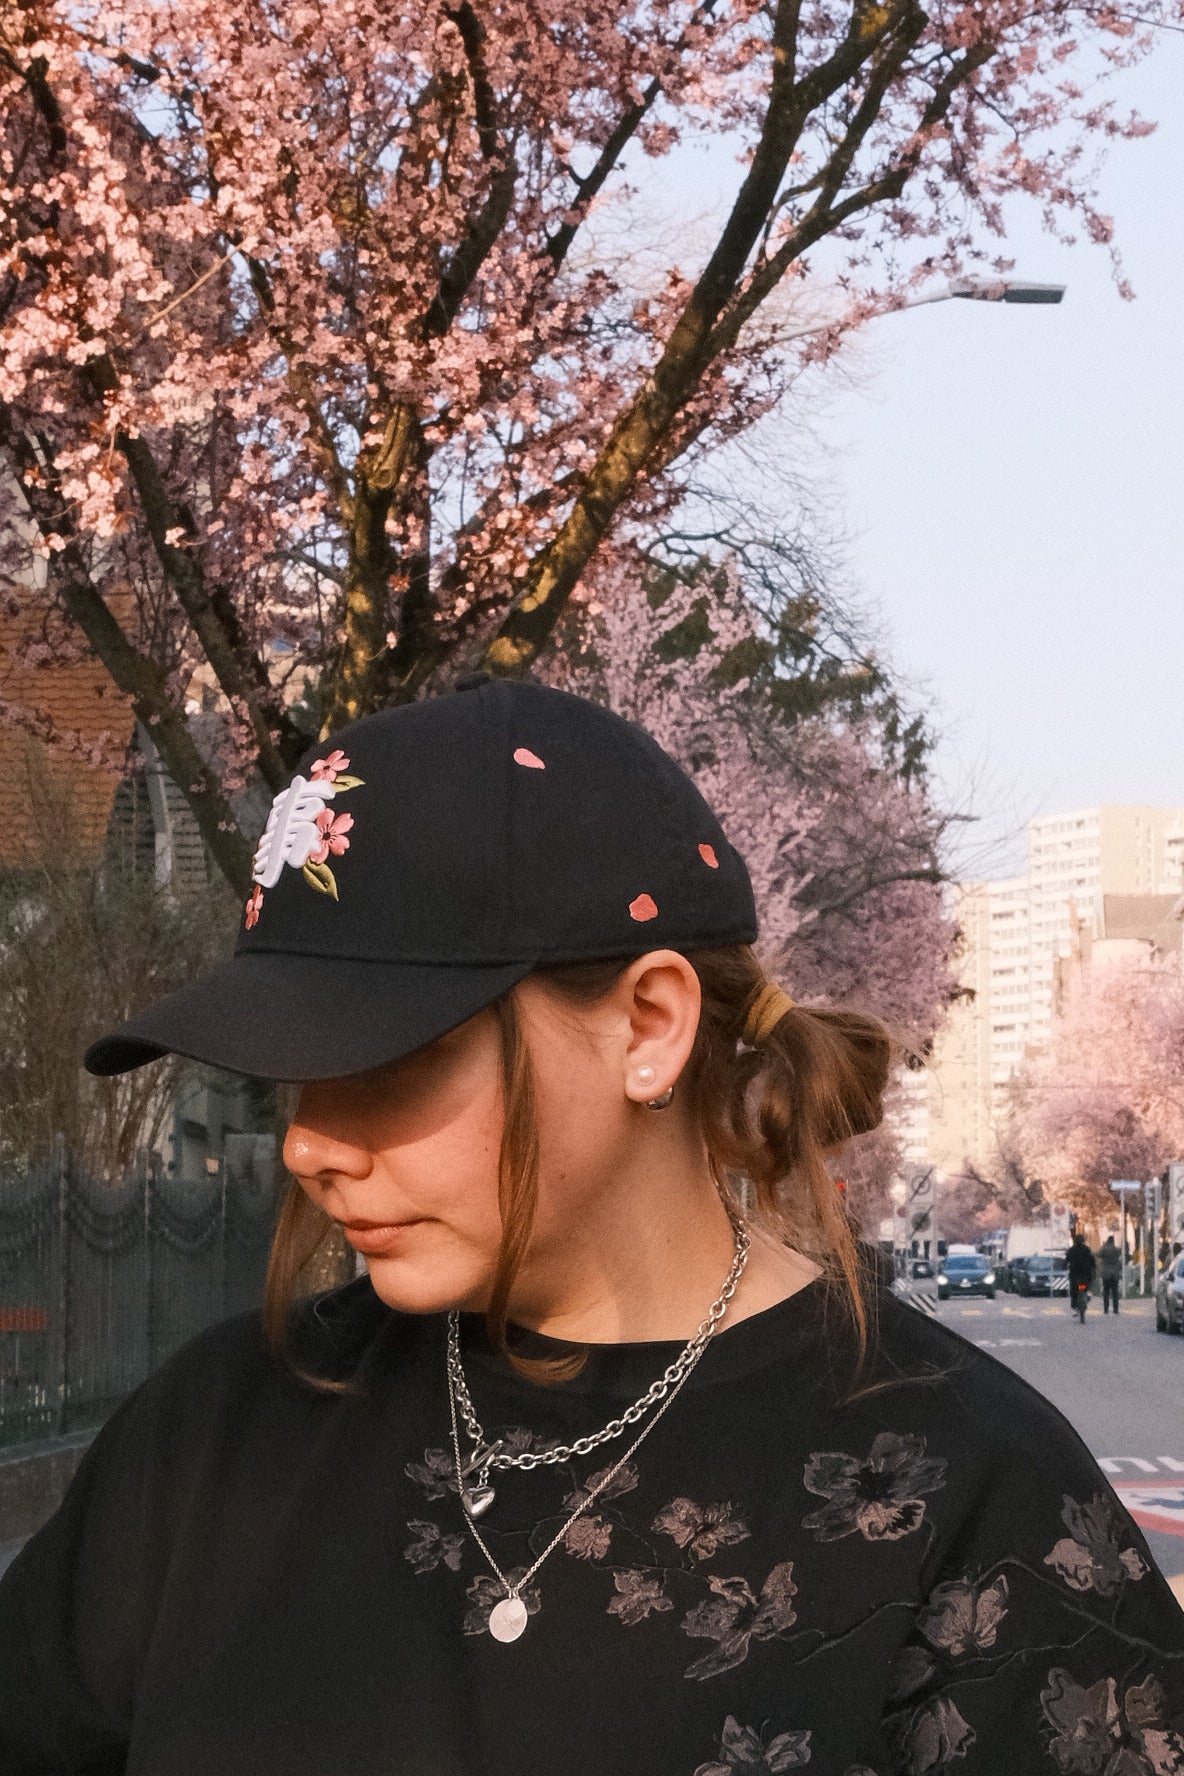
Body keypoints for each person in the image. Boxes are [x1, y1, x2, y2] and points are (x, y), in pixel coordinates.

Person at [1, 678, 1182, 1775]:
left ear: (650, 1025)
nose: (309, 1142)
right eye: (288, 1069)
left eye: (386, 1054)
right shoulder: (215, 1433)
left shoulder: (973, 1504)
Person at [1066, 1230, 1097, 1322]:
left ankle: (1076, 1305)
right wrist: (1093, 1269)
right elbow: (1093, 1261)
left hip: (1075, 1276)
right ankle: (1086, 1296)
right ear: (1083, 1241)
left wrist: (1063, 1266)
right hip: (1085, 1276)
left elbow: (1066, 1261)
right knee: (1084, 1288)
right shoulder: (1087, 1250)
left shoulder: (1071, 1250)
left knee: (1074, 1291)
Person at [1100, 1232, 1123, 1315]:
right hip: (1114, 1273)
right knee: (1115, 1293)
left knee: (1106, 1292)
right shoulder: (1117, 1250)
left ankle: (1106, 1310)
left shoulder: (1104, 1249)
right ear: (1113, 1242)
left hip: (1106, 1273)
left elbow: (1099, 1254)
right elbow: (1120, 1254)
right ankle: (1115, 1310)